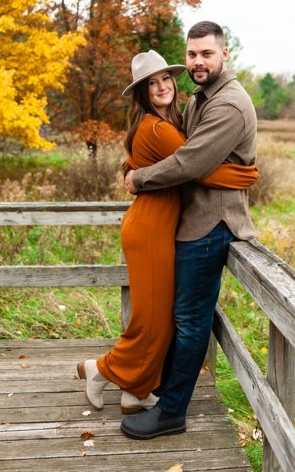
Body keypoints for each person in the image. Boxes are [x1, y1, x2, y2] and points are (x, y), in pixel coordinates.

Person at [81, 50, 258, 419]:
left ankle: (136, 389)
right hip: (149, 228)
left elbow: (188, 162)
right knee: (152, 318)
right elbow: (198, 169)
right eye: (152, 83)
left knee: (158, 317)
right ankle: (99, 370)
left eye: (166, 79)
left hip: (160, 225)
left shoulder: (171, 121)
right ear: (143, 92)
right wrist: (245, 176)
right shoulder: (157, 128)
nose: (162, 87)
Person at [121, 22, 263, 440]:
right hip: (192, 222)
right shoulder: (203, 97)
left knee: (190, 319)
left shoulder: (228, 105)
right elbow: (187, 157)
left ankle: (172, 411)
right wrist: (241, 175)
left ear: (224, 54)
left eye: (206, 54)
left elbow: (190, 164)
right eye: (192, 54)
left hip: (211, 225)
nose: (197, 61)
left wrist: (140, 178)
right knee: (181, 316)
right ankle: (162, 390)